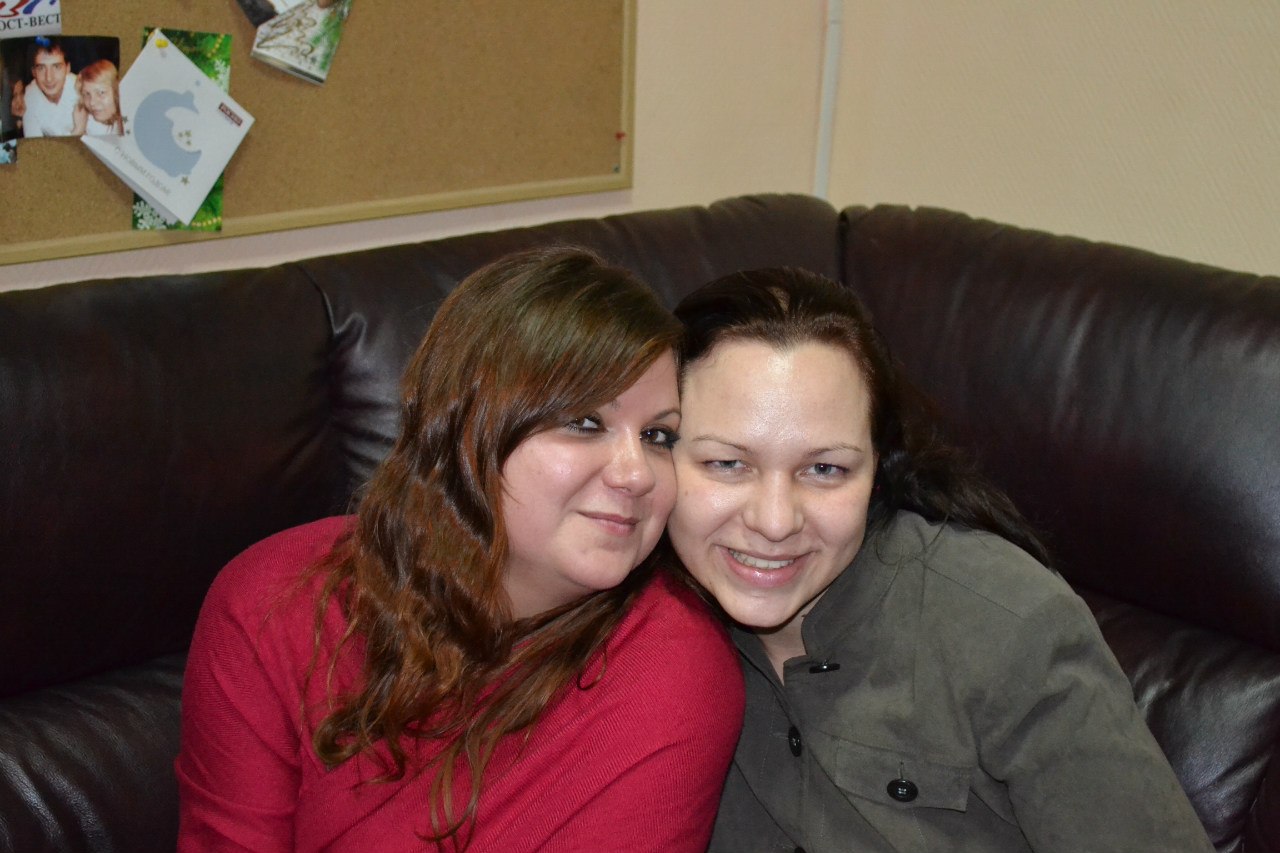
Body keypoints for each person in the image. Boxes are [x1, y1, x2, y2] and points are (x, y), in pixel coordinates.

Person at [176, 248, 745, 852]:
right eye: (584, 422)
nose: (637, 474)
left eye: (658, 435)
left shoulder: (672, 673)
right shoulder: (274, 599)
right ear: (466, 426)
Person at [666, 267, 1214, 852]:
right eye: (727, 464)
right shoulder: (641, 619)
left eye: (825, 469)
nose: (775, 522)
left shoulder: (1011, 627)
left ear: (879, 470)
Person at [14, 37, 78, 137]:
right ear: (34, 72)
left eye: (56, 67)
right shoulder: (29, 98)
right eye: (41, 68)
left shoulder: (83, 89)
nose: (49, 78)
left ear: (68, 68)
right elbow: (34, 144)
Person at [71, 59, 122, 136]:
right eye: (87, 94)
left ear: (117, 91)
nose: (92, 103)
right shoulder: (86, 120)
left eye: (101, 92)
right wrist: (79, 129)